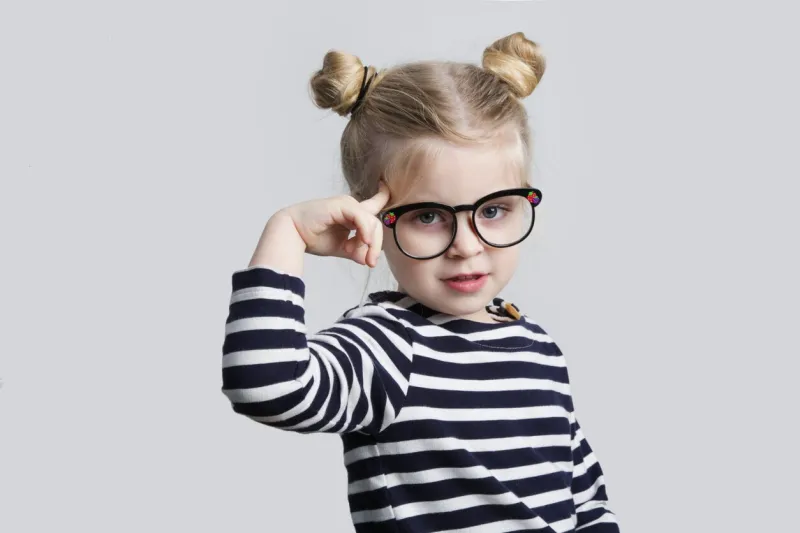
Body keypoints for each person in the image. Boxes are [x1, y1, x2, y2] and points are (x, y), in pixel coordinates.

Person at [221, 31, 620, 532]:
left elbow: (584, 495)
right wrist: (289, 234)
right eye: (428, 216)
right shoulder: (387, 347)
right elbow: (265, 386)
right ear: (369, 216)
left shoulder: (536, 347)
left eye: (494, 210)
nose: (467, 245)